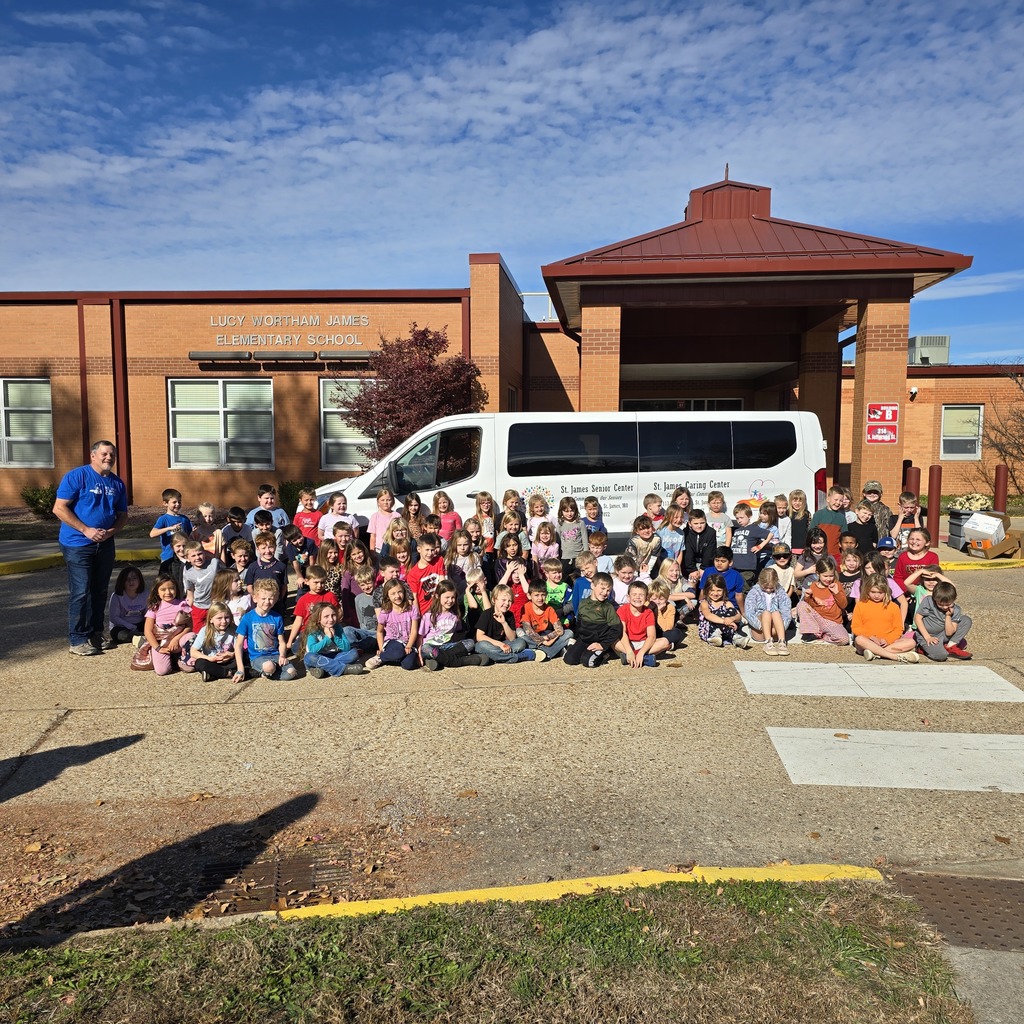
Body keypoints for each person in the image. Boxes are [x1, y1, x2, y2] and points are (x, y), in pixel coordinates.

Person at [53, 439, 129, 655]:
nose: (109, 458)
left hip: (105, 544)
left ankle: (95, 633)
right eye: (104, 454)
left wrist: (112, 532)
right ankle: (77, 639)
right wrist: (86, 530)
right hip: (78, 544)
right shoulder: (77, 476)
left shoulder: (117, 483)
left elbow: (122, 515)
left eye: (112, 455)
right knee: (81, 591)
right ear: (93, 456)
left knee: (99, 590)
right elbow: (59, 508)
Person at [235, 578, 297, 680]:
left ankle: (266, 674)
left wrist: (282, 656)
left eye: (271, 598)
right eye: (263, 599)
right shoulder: (248, 617)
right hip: (258, 657)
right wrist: (240, 669)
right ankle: (266, 671)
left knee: (292, 673)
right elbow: (239, 644)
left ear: (276, 598)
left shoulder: (277, 617)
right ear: (255, 598)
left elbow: (281, 642)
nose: (267, 602)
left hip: (275, 655)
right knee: (269, 666)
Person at [852, 574, 920, 663]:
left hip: (887, 642)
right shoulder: (860, 605)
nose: (876, 596)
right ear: (867, 591)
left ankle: (875, 653)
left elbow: (898, 629)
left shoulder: (893, 607)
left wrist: (887, 640)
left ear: (886, 592)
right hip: (867, 640)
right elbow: (856, 627)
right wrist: (871, 637)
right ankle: (893, 656)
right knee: (859, 639)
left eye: (880, 593)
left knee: (911, 642)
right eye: (873, 592)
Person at [420, 580, 485, 670]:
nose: (450, 601)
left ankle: (438, 660)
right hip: (431, 646)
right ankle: (462, 661)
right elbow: (420, 636)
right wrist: (419, 652)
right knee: (427, 649)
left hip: (448, 646)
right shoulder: (429, 616)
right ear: (437, 596)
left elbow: (457, 633)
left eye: (453, 597)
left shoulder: (455, 615)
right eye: (447, 597)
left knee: (470, 643)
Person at [474, 584, 543, 664]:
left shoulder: (509, 615)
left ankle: (495, 656)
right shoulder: (486, 614)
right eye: (503, 600)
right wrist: (500, 644)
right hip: (489, 644)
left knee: (521, 642)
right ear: (494, 600)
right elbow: (479, 636)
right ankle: (518, 657)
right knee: (481, 646)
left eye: (509, 601)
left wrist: (504, 623)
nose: (507, 603)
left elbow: (512, 638)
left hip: (504, 644)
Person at [563, 572, 620, 667]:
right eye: (602, 588)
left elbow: (616, 628)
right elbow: (580, 622)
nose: (605, 592)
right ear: (593, 585)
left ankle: (607, 653)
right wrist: (579, 637)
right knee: (569, 659)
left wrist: (603, 645)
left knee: (588, 662)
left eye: (608, 590)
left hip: (599, 641)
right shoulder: (583, 603)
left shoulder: (607, 607)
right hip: (584, 639)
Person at [143, 574, 193, 675]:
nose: (168, 592)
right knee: (162, 671)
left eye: (171, 588)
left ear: (176, 589)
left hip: (178, 641)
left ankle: (183, 659)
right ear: (157, 591)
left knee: (191, 636)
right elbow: (147, 631)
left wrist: (176, 639)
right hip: (162, 643)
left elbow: (189, 627)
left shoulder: (182, 604)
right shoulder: (155, 608)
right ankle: (170, 659)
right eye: (163, 589)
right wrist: (158, 648)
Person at [301, 602, 365, 677]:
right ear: (318, 619)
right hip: (319, 657)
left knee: (353, 653)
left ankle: (324, 670)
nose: (331, 619)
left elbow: (346, 648)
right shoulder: (313, 631)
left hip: (335, 655)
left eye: (333, 615)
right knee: (309, 657)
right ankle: (344, 669)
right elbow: (312, 650)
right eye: (326, 616)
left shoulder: (337, 627)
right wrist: (327, 639)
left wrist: (334, 636)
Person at [368, 578, 421, 670]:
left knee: (408, 665)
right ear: (387, 596)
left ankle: (391, 658)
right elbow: (380, 632)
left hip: (408, 643)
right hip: (393, 642)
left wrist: (409, 645)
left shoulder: (412, 609)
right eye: (393, 593)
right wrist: (381, 649)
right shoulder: (386, 612)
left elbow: (414, 631)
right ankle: (381, 657)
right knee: (398, 652)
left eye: (400, 592)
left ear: (404, 593)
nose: (397, 596)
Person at [913, 580, 973, 661]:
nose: (944, 607)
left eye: (948, 604)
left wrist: (948, 616)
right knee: (941, 656)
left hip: (943, 634)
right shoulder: (928, 601)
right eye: (940, 604)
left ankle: (950, 646)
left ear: (954, 599)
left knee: (966, 620)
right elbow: (917, 618)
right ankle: (922, 648)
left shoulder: (956, 609)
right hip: (926, 635)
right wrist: (927, 637)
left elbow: (949, 632)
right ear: (935, 599)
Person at [795, 558, 850, 645]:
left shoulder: (836, 585)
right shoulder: (814, 586)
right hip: (817, 620)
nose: (828, 579)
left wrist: (836, 593)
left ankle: (823, 636)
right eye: (825, 576)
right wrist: (808, 598)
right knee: (801, 604)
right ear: (818, 574)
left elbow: (843, 605)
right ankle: (810, 632)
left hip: (833, 622)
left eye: (831, 576)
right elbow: (811, 607)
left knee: (844, 640)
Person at [615, 580, 669, 668]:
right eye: (634, 594)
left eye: (641, 595)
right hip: (627, 642)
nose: (637, 597)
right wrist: (629, 650)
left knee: (665, 642)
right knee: (613, 641)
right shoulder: (622, 610)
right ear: (628, 597)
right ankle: (644, 658)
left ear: (646, 598)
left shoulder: (648, 612)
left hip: (642, 643)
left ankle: (633, 657)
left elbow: (651, 636)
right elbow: (622, 632)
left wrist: (641, 652)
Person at [181, 603, 238, 681]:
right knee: (199, 663)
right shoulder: (205, 630)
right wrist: (210, 658)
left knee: (245, 658)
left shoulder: (234, 629)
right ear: (211, 619)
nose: (224, 621)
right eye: (219, 618)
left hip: (228, 661)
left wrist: (232, 654)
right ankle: (228, 673)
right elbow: (193, 652)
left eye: (227, 617)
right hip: (211, 661)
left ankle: (213, 674)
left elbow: (239, 649)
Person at [519, 580, 573, 659]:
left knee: (569, 633)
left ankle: (540, 652)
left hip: (546, 634)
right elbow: (528, 630)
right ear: (529, 596)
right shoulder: (526, 607)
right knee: (520, 633)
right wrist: (543, 641)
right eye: (536, 595)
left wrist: (547, 638)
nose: (540, 598)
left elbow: (559, 630)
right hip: (532, 637)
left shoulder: (549, 609)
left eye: (543, 595)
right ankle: (553, 650)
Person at [743, 567, 792, 654]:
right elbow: (749, 612)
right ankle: (768, 642)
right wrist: (761, 626)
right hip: (760, 630)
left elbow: (786, 611)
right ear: (760, 581)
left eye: (771, 588)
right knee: (766, 613)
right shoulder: (754, 592)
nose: (769, 590)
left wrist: (783, 626)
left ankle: (782, 641)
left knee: (776, 612)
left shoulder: (780, 591)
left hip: (775, 629)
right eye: (765, 588)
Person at [698, 574, 750, 648]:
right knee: (718, 613)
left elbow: (738, 616)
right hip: (709, 630)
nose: (715, 593)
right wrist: (725, 621)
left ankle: (733, 637)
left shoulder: (726, 603)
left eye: (719, 590)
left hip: (726, 629)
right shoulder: (705, 603)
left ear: (724, 590)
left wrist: (731, 619)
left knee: (732, 611)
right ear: (707, 590)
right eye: (712, 590)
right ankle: (730, 637)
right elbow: (708, 615)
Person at [182, 540, 223, 632]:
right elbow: (190, 594)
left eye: (200, 554)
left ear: (204, 553)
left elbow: (225, 580)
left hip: (214, 605)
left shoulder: (214, 563)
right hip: (198, 607)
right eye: (193, 556)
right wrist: (186, 609)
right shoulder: (188, 572)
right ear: (187, 558)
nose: (198, 558)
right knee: (198, 633)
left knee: (217, 631)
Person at [107, 565, 147, 645]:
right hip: (121, 626)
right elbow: (114, 617)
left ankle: (143, 636)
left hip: (140, 624)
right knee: (122, 636)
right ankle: (140, 637)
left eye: (134, 578)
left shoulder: (145, 594)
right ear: (122, 581)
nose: (131, 582)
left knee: (154, 629)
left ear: (140, 580)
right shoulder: (117, 596)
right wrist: (131, 626)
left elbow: (149, 613)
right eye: (127, 579)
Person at [149, 488, 192, 556]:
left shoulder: (185, 519)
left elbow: (191, 535)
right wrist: (169, 528)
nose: (177, 504)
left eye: (179, 502)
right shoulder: (163, 519)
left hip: (184, 555)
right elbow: (152, 534)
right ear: (165, 503)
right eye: (174, 502)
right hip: (168, 556)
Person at [810, 486, 847, 559]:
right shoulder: (819, 514)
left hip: (835, 553)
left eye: (841, 500)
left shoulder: (841, 517)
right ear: (828, 499)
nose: (838, 503)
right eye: (835, 500)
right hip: (819, 553)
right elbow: (811, 533)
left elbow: (844, 537)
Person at [556, 497, 587, 576]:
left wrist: (585, 556)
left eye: (571, 511)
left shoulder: (580, 523)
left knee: (579, 578)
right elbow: (558, 542)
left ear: (575, 510)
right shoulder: (560, 524)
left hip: (579, 557)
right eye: (566, 511)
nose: (569, 514)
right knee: (565, 579)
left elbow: (585, 541)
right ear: (561, 511)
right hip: (565, 557)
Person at [625, 514, 662, 581]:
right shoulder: (634, 541)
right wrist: (635, 573)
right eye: (642, 529)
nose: (646, 531)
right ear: (637, 531)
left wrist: (647, 572)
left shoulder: (656, 539)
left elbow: (653, 557)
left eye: (648, 528)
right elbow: (631, 559)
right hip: (633, 565)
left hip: (648, 565)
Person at [368, 488, 402, 553]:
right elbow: (373, 536)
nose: (385, 502)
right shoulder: (375, 516)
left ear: (393, 501)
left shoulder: (397, 515)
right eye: (382, 500)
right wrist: (372, 551)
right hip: (379, 550)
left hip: (394, 548)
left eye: (388, 500)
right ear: (378, 502)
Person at [788, 489, 810, 554]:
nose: (797, 503)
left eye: (800, 501)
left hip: (803, 548)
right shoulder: (787, 514)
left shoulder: (806, 514)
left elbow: (808, 529)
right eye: (795, 500)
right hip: (790, 548)